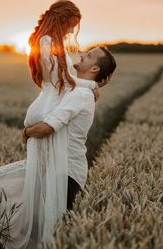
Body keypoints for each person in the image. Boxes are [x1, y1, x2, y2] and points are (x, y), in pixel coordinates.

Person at [0, 0, 111, 249]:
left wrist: (90, 87)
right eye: (71, 26)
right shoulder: (47, 43)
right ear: (64, 19)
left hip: (55, 134)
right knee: (38, 209)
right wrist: (91, 86)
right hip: (52, 116)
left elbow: (63, 83)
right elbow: (59, 80)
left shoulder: (74, 84)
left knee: (43, 214)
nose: (72, 33)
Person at [22, 46, 116, 211]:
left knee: (55, 230)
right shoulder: (80, 92)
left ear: (94, 68)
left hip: (65, 173)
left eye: (89, 55)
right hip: (61, 170)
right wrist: (94, 85)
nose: (82, 54)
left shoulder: (79, 95)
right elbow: (67, 81)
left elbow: (48, 128)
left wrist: (26, 132)